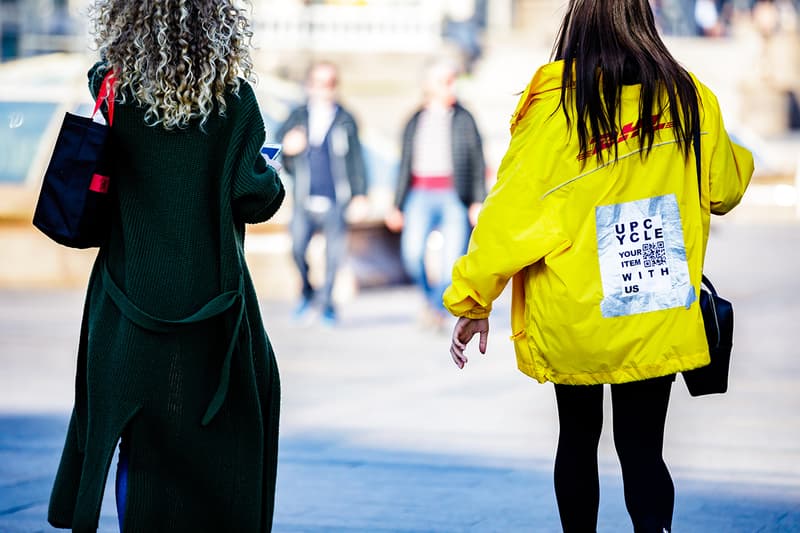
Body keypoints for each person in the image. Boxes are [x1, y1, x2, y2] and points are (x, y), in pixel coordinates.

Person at [444, 1, 754, 531]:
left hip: (576, 308)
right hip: (654, 300)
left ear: (577, 23)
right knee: (644, 450)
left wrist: (473, 300)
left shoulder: (557, 109)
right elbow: (725, 187)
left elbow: (511, 217)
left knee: (577, 440)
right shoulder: (690, 99)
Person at [47, 1, 285, 531]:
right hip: (214, 307)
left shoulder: (110, 87)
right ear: (218, 21)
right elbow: (255, 198)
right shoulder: (235, 100)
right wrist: (271, 172)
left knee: (136, 434)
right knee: (217, 436)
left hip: (127, 301)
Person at [386, 59, 486, 329]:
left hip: (454, 194)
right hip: (419, 194)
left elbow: (478, 160)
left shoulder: (465, 118)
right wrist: (396, 205)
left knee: (452, 262)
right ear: (428, 85)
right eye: (444, 80)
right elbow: (403, 163)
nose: (451, 84)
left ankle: (438, 308)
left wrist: (477, 200)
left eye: (453, 79)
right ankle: (433, 302)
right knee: (411, 253)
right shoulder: (414, 120)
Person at [276, 61, 368, 326]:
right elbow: (272, 151)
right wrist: (287, 147)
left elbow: (357, 160)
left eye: (329, 83)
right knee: (296, 248)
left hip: (336, 198)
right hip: (305, 197)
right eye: (318, 83)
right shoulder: (297, 117)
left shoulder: (346, 119)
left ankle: (327, 304)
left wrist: (360, 194)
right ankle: (307, 293)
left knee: (333, 256)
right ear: (308, 85)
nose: (323, 89)